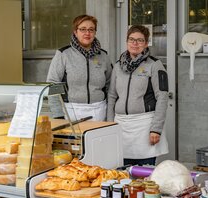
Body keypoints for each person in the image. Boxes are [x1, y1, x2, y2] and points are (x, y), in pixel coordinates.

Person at [107, 25, 169, 166]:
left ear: (146, 43)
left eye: (140, 40)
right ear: (127, 41)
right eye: (131, 39)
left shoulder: (155, 65)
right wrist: (109, 125)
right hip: (120, 125)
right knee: (121, 173)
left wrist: (156, 129)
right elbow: (111, 96)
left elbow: (162, 97)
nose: (135, 44)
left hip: (145, 126)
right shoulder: (117, 66)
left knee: (144, 174)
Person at [47, 14, 112, 122]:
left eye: (91, 29)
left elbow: (110, 86)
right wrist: (58, 115)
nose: (87, 33)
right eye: (83, 29)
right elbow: (53, 85)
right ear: (75, 32)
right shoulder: (63, 54)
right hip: (72, 112)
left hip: (100, 111)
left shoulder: (103, 56)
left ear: (95, 32)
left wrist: (110, 113)